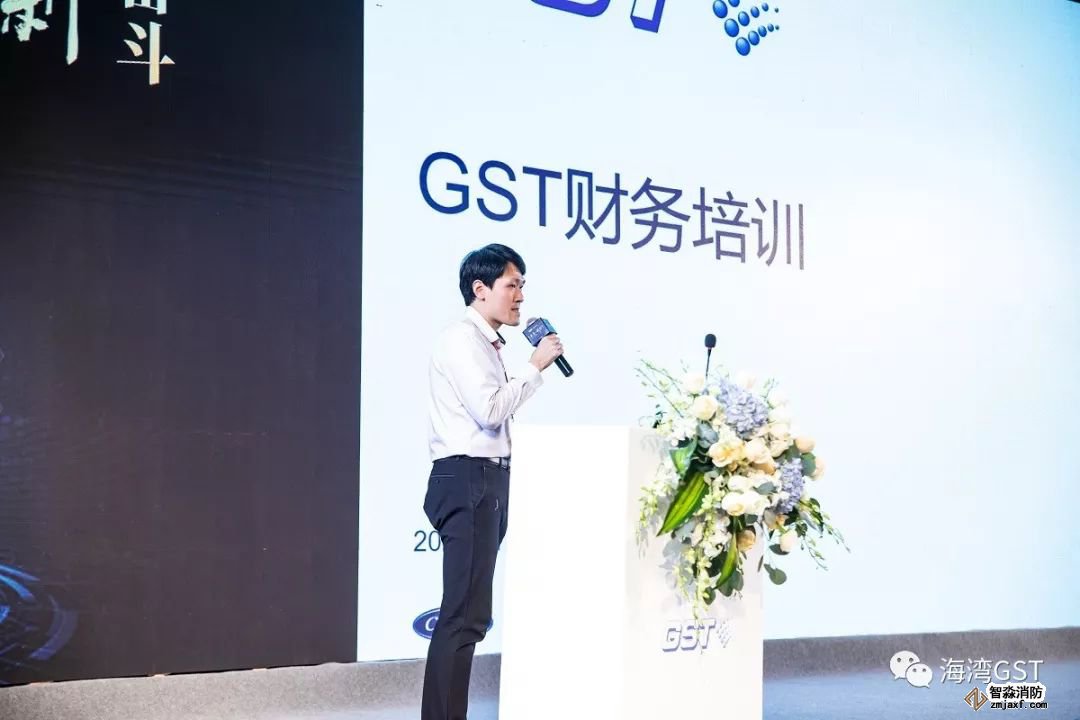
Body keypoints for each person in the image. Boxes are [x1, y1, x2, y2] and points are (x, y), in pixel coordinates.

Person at [420, 244, 563, 720]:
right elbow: (490, 409)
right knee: (462, 615)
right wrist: (535, 367)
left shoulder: (487, 343)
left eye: (522, 286)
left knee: (471, 615)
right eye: (511, 285)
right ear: (480, 289)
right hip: (468, 478)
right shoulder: (462, 339)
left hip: (485, 480)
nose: (520, 296)